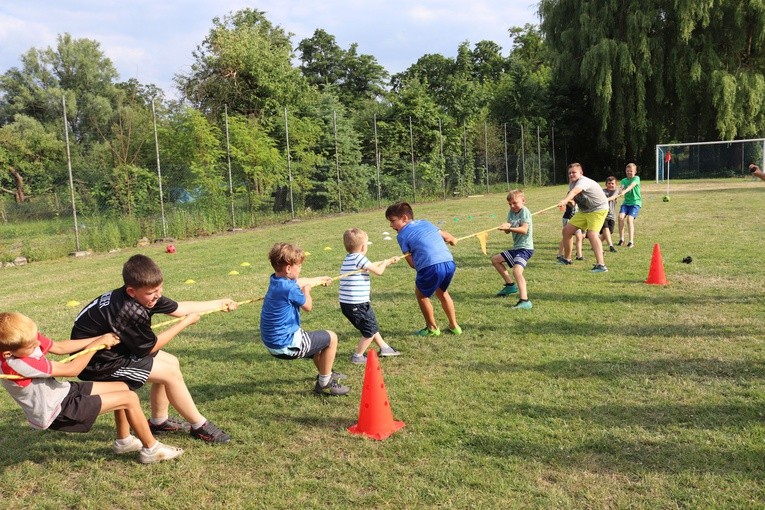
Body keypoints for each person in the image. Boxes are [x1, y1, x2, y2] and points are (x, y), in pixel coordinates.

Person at [71, 254, 237, 444]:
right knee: (169, 373)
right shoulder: (129, 312)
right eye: (153, 292)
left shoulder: (145, 295)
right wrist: (184, 324)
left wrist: (219, 302)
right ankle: (200, 425)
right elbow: (150, 348)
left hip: (114, 348)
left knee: (171, 363)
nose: (157, 295)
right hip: (97, 362)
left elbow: (180, 308)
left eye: (160, 289)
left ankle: (159, 421)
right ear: (132, 291)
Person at [1, 312, 183, 464]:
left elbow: (60, 346)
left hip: (62, 392)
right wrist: (95, 346)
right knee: (130, 399)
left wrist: (100, 338)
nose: (37, 345)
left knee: (123, 387)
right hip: (56, 410)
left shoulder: (25, 338)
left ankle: (124, 441)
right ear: (8, 353)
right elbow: (72, 369)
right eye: (32, 345)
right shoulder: (17, 365)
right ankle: (152, 450)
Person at [260, 242, 350, 396]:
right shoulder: (289, 288)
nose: (301, 269)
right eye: (299, 266)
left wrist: (319, 279)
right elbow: (308, 306)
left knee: (317, 345)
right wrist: (307, 291)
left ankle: (326, 373)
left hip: (273, 343)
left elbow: (299, 281)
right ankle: (325, 383)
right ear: (289, 268)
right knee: (331, 338)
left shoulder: (276, 280)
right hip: (285, 345)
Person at [385, 202, 462, 336]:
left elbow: (412, 264)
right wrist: (453, 240)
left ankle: (432, 328)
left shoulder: (402, 235)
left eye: (392, 221)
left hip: (431, 266)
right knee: (442, 292)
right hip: (449, 262)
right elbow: (447, 236)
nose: (391, 225)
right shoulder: (426, 222)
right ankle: (454, 326)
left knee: (421, 295)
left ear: (404, 218)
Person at [339, 228, 402, 365]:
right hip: (356, 304)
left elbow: (370, 266)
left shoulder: (349, 258)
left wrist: (389, 261)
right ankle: (358, 356)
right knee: (369, 330)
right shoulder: (359, 258)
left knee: (371, 324)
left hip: (351, 303)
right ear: (363, 247)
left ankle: (385, 348)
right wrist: (386, 263)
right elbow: (378, 271)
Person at [557, 162, 610, 273]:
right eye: (569, 173)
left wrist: (565, 200)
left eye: (574, 172)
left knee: (592, 234)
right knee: (566, 231)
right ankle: (567, 259)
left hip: (598, 209)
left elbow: (575, 191)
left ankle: (601, 265)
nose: (571, 175)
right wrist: (570, 202)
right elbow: (576, 199)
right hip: (584, 211)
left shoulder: (583, 181)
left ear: (581, 173)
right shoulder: (571, 183)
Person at [492, 189, 534, 310]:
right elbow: (507, 230)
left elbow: (524, 230)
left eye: (515, 203)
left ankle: (525, 300)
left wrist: (509, 229)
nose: (512, 206)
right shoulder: (511, 212)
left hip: (525, 249)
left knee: (517, 271)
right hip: (517, 248)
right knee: (495, 260)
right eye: (510, 204)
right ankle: (510, 285)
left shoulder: (525, 212)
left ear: (523, 201)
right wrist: (505, 227)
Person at [617, 163, 642, 248]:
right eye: (627, 171)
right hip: (626, 203)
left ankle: (631, 241)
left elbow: (631, 186)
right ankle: (621, 239)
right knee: (620, 217)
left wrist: (624, 191)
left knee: (629, 219)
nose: (629, 172)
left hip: (635, 203)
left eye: (631, 171)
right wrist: (620, 191)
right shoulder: (624, 180)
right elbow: (622, 187)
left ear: (635, 172)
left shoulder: (636, 178)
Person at [600, 176, 619, 253]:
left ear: (615, 184)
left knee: (609, 232)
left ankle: (596, 243)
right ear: (606, 184)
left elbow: (613, 197)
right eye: (609, 183)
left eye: (612, 183)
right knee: (606, 229)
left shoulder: (616, 191)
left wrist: (605, 200)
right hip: (602, 214)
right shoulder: (602, 191)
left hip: (612, 216)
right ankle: (611, 246)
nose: (611, 185)